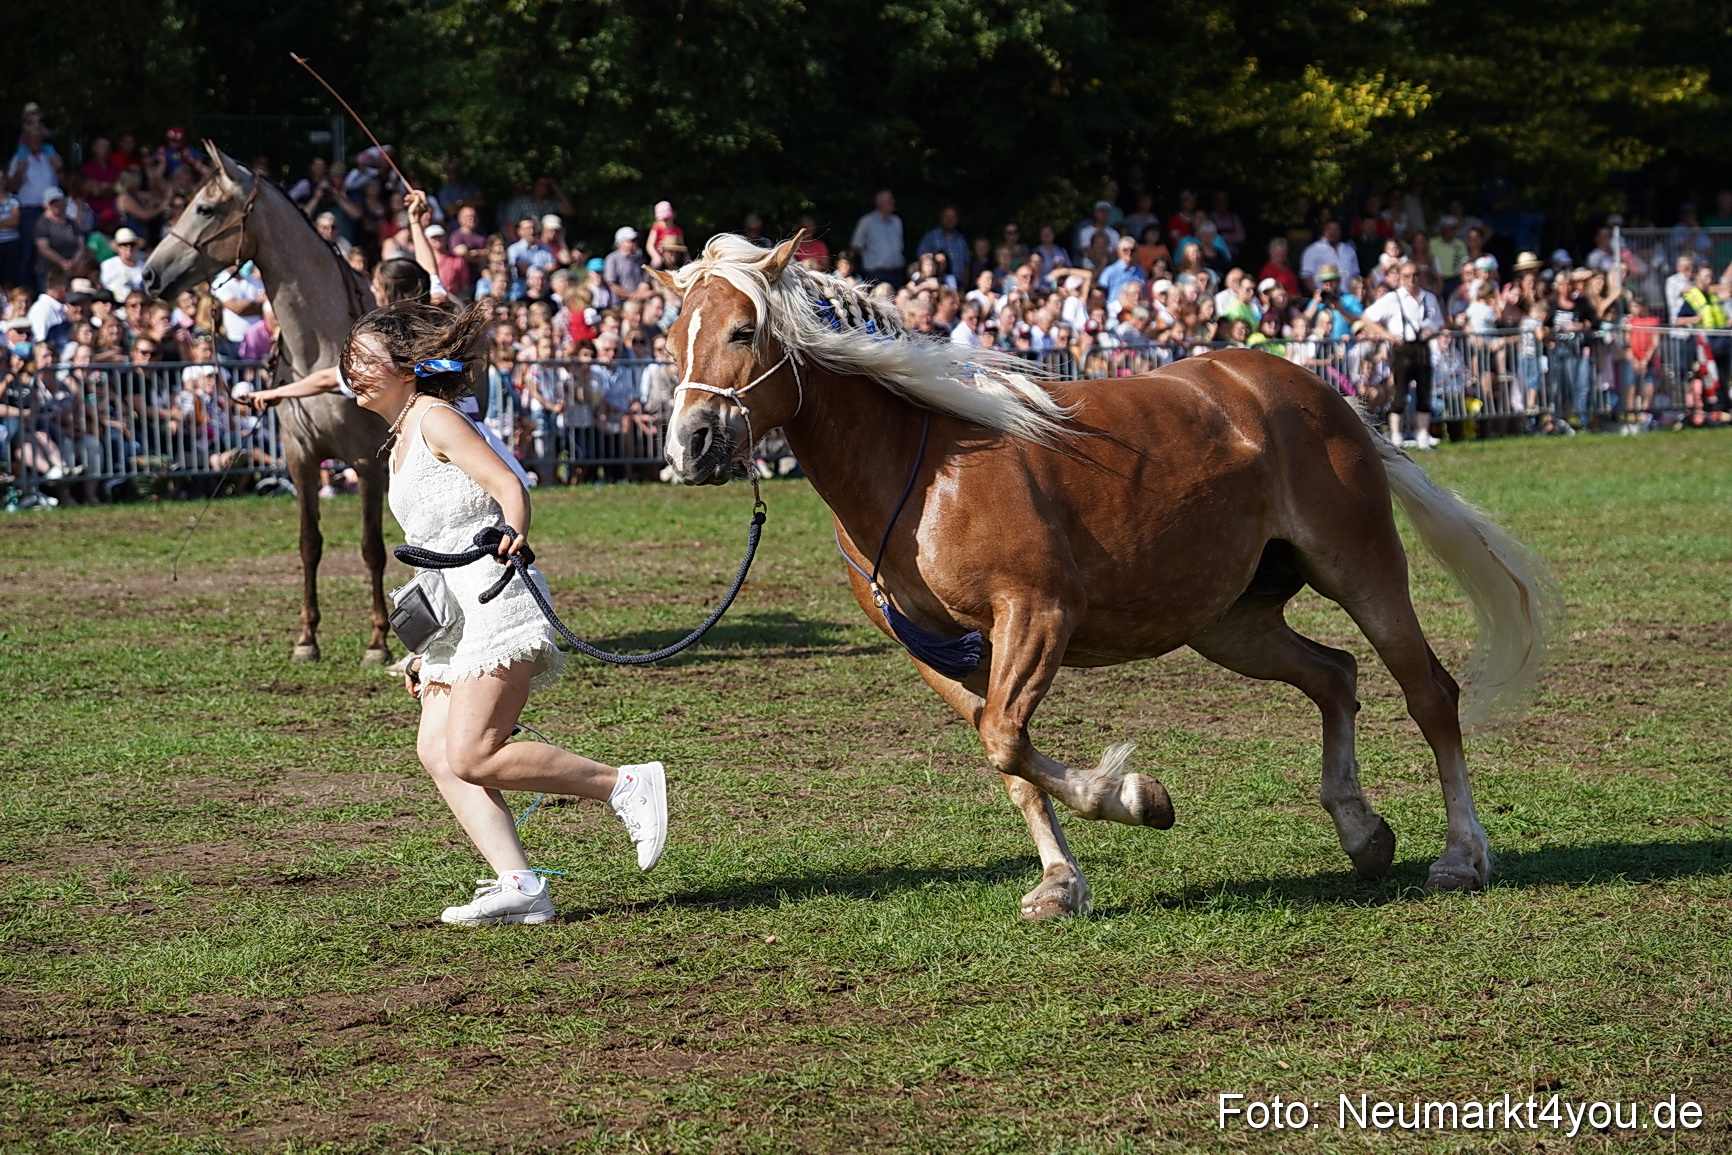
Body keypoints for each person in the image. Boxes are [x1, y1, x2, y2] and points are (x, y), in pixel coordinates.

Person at [343, 299, 668, 924]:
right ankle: (520, 885)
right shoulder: (402, 432)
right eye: (349, 361)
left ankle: (626, 785)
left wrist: (512, 532)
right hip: (449, 613)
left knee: (472, 752)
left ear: (407, 366)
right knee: (437, 753)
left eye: (363, 360)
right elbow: (432, 549)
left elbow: (509, 485)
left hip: (494, 594)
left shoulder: (437, 418)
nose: (352, 372)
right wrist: (421, 649)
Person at [1360, 260, 1445, 449]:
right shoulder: (1393, 298)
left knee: (1424, 392)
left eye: (1415, 275)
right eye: (1407, 276)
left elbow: (1439, 322)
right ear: (1400, 277)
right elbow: (1367, 317)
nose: (1412, 280)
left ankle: (1422, 436)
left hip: (1422, 346)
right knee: (1399, 393)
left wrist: (1434, 331)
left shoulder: (1428, 297)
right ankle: (1396, 436)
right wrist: (1386, 335)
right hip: (1402, 348)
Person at [851, 189, 906, 287]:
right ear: (879, 202)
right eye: (889, 199)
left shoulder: (896, 221)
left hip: (897, 272)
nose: (893, 202)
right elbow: (856, 247)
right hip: (876, 273)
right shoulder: (867, 222)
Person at [99, 228, 147, 299]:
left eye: (132, 244)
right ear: (118, 247)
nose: (129, 248)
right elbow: (104, 286)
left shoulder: (144, 267)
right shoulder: (108, 265)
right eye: (124, 244)